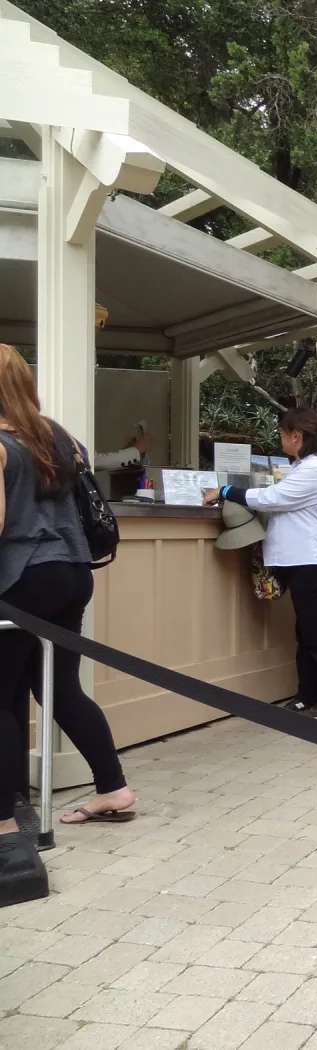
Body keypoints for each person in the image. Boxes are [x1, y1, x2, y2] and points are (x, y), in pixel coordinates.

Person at [0, 344, 136, 857]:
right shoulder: (59, 436)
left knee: (0, 699)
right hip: (74, 572)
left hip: (23, 577)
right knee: (59, 689)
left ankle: (5, 823)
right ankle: (113, 788)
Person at [206, 406, 317, 719]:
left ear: (296, 436)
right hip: (302, 562)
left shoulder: (316, 469)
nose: (280, 438)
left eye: (282, 433)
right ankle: (308, 694)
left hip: (315, 562)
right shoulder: (302, 466)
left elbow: (273, 498)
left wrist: (227, 491)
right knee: (306, 633)